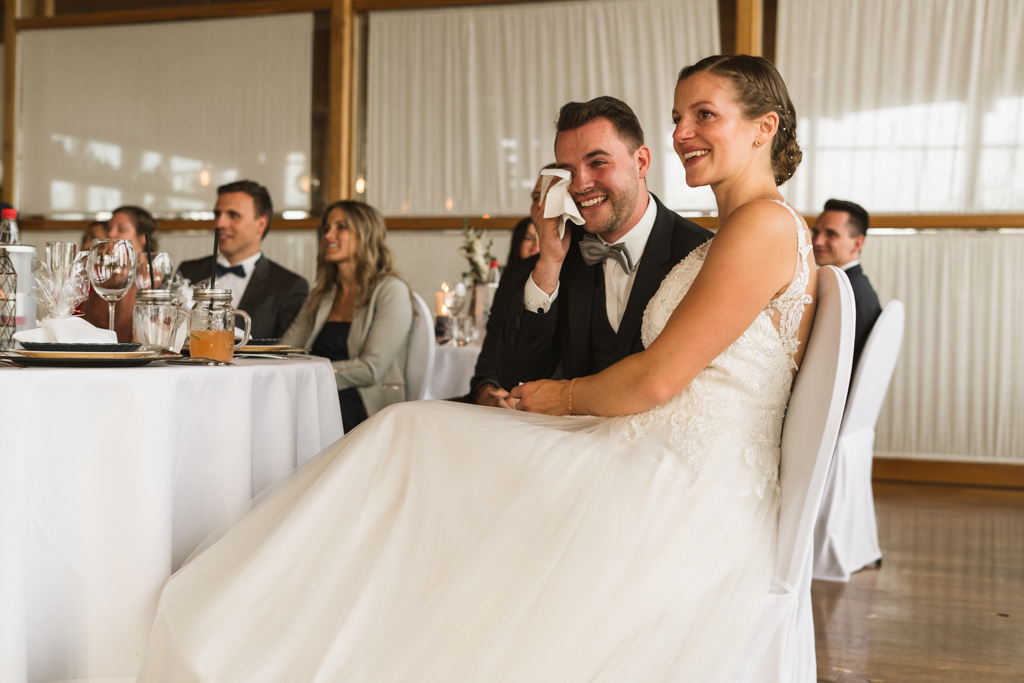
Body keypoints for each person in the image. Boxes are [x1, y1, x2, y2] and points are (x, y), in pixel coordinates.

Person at [137, 54, 815, 681]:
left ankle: (324, 629)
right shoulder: (736, 232)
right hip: (646, 444)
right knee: (410, 435)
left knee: (410, 436)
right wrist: (547, 268)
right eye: (677, 117)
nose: (683, 132)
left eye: (704, 115)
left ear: (764, 127)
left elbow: (658, 378)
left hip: (675, 476)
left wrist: (555, 399)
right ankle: (331, 614)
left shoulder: (753, 229)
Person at [495, 96, 713, 389]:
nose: (580, 185)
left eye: (597, 162)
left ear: (641, 162)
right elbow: (517, 377)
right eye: (568, 172)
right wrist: (548, 264)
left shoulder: (701, 254)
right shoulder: (565, 254)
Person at [281, 201, 412, 432]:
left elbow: (371, 368)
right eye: (326, 228)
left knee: (302, 418)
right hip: (314, 393)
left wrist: (313, 376)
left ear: (365, 234)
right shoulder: (321, 295)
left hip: (364, 403)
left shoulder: (391, 290)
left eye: (341, 227)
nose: (329, 234)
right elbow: (286, 350)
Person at [177, 180, 309, 339]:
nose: (220, 223)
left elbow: (286, 353)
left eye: (233, 215)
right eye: (217, 214)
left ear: (261, 224)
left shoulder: (289, 286)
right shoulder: (188, 271)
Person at [811, 198, 881, 372]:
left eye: (831, 234)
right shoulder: (855, 285)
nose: (818, 241)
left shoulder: (848, 293)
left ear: (857, 243)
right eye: (816, 232)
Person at [80, 206, 157, 341]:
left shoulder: (152, 278)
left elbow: (127, 332)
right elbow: (89, 322)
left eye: (121, 229)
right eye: (109, 228)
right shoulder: (105, 272)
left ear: (143, 237)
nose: (111, 234)